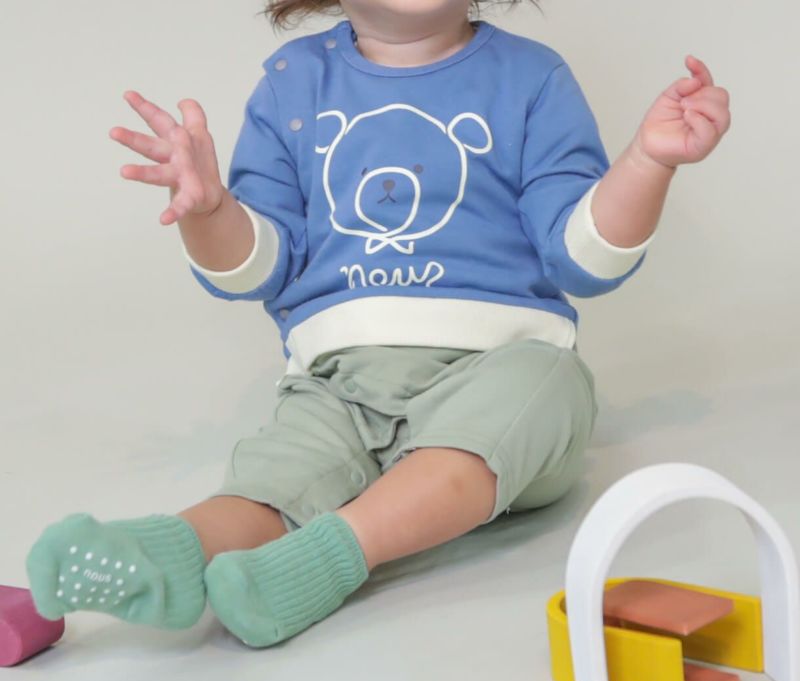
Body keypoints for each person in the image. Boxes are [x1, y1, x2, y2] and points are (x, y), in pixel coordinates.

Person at [25, 0, 731, 647]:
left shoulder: (532, 79)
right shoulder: (294, 84)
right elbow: (254, 269)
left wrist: (646, 163)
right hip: (340, 385)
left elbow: (582, 259)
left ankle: (330, 557)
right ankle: (172, 550)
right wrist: (210, 212)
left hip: (502, 376)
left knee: (546, 382)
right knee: (276, 478)